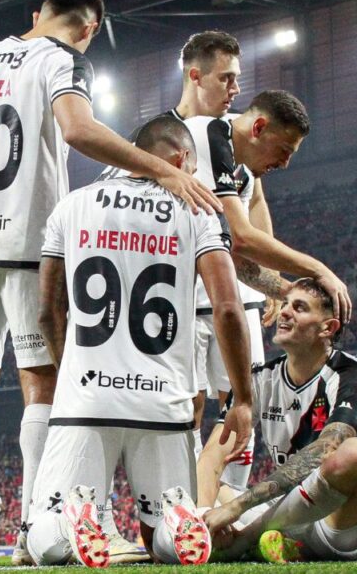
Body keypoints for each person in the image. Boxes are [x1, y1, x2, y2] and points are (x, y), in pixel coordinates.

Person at [0, 0, 221, 567]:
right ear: (89, 28)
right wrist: (162, 170)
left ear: (39, 9)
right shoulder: (62, 59)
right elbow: (78, 130)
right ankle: (33, 530)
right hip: (27, 243)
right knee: (43, 383)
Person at [26, 115, 254, 567]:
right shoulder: (200, 212)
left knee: (45, 543)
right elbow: (228, 307)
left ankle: (73, 520)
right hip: (164, 404)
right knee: (163, 541)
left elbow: (48, 309)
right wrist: (243, 398)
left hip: (88, 400)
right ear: (181, 159)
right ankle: (178, 521)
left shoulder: (73, 206)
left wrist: (70, 370)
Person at [198, 278, 357, 564]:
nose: (285, 312)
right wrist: (203, 516)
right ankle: (277, 543)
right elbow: (214, 454)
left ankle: (247, 539)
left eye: (299, 307)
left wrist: (237, 508)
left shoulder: (353, 376)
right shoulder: (260, 379)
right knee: (200, 474)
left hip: (349, 527)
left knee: (354, 453)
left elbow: (327, 450)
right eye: (286, 304)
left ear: (328, 328)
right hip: (290, 515)